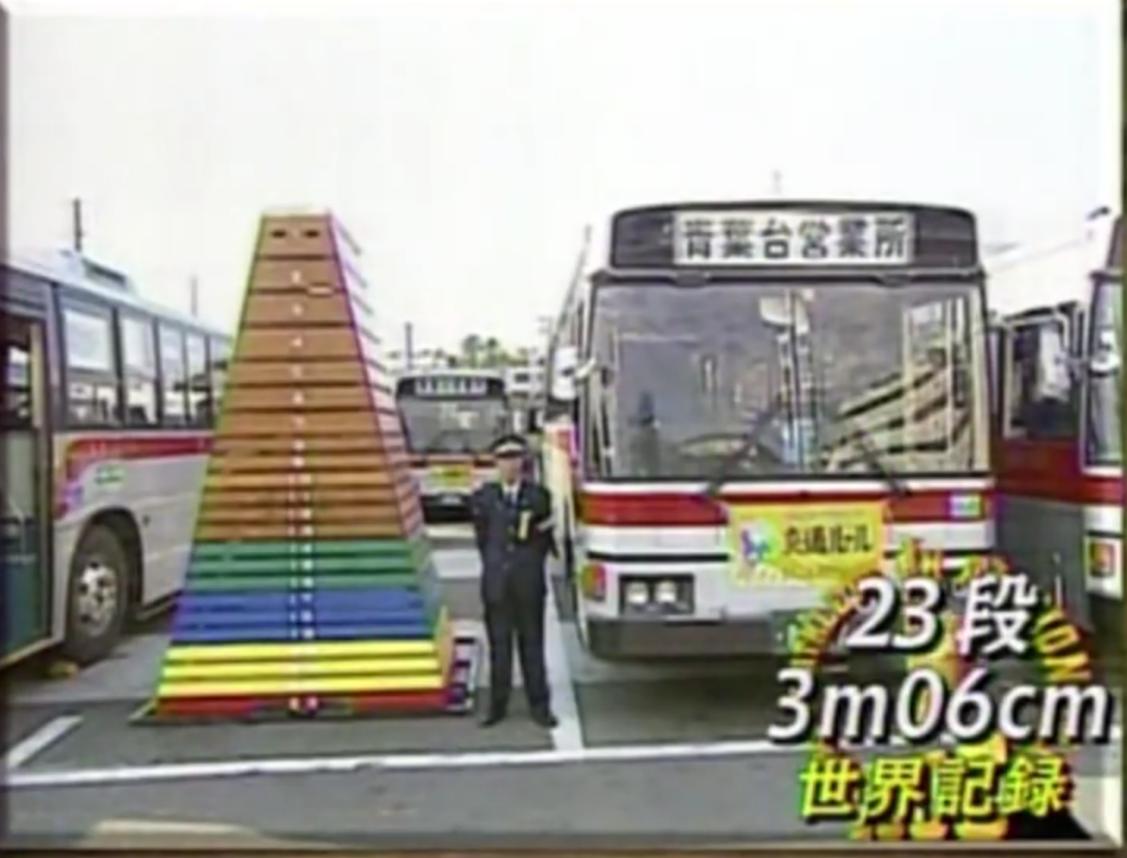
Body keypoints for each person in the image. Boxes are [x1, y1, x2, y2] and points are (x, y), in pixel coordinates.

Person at [470, 433, 558, 728]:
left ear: (523, 462)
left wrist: (527, 562)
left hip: (527, 582)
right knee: (500, 647)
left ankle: (540, 705)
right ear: (496, 463)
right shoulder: (484, 498)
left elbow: (544, 540)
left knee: (532, 645)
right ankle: (497, 705)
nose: (510, 465)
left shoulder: (538, 497)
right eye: (504, 459)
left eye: (515, 458)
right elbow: (483, 538)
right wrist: (496, 566)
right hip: (497, 584)